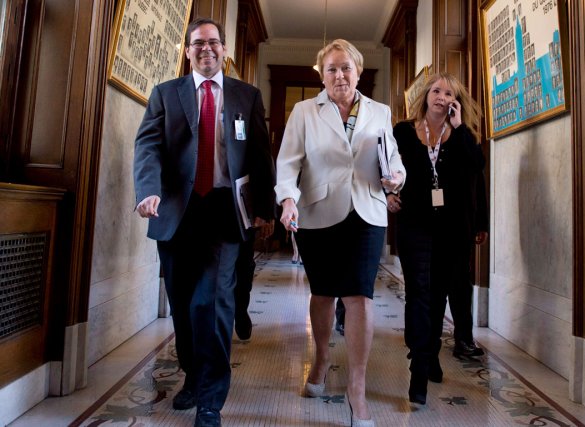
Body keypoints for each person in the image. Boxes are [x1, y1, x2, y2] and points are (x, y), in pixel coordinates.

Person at [133, 17, 275, 427]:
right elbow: (148, 146)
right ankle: (193, 375)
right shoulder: (166, 94)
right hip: (177, 211)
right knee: (181, 302)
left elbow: (259, 155)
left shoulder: (247, 96)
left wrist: (264, 209)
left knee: (212, 303)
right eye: (199, 43)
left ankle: (211, 400)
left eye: (214, 42)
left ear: (225, 49)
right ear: (188, 50)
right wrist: (147, 189)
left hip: (224, 213)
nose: (206, 49)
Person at [275, 39, 405, 427]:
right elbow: (287, 163)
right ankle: (322, 359)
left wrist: (398, 176)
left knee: (360, 294)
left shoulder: (380, 111)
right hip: (318, 212)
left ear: (358, 71)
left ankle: (358, 387)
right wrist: (287, 200)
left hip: (367, 211)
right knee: (323, 292)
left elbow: (393, 158)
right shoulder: (304, 111)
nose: (339, 75)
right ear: (322, 74)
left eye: (346, 67)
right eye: (331, 69)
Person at [387, 71, 488, 406]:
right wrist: (386, 195)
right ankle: (419, 364)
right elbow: (382, 167)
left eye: (449, 93)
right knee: (418, 293)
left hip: (452, 229)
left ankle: (428, 353)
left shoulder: (462, 136)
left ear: (455, 102)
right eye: (437, 90)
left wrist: (459, 129)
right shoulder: (402, 131)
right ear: (426, 96)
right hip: (414, 222)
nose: (442, 96)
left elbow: (478, 169)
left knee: (438, 295)